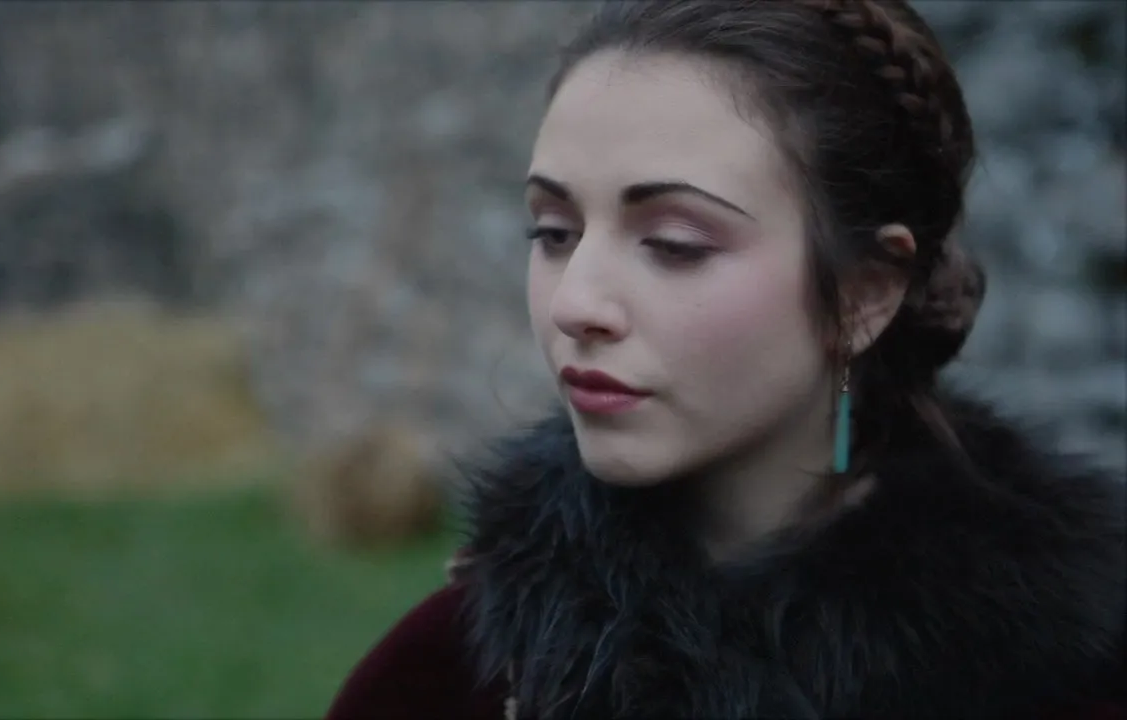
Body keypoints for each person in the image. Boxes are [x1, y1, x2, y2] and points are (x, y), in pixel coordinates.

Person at [324, 1, 1126, 718]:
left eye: (676, 244)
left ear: (866, 292)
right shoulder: (446, 676)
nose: (574, 302)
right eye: (554, 233)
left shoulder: (1074, 681)